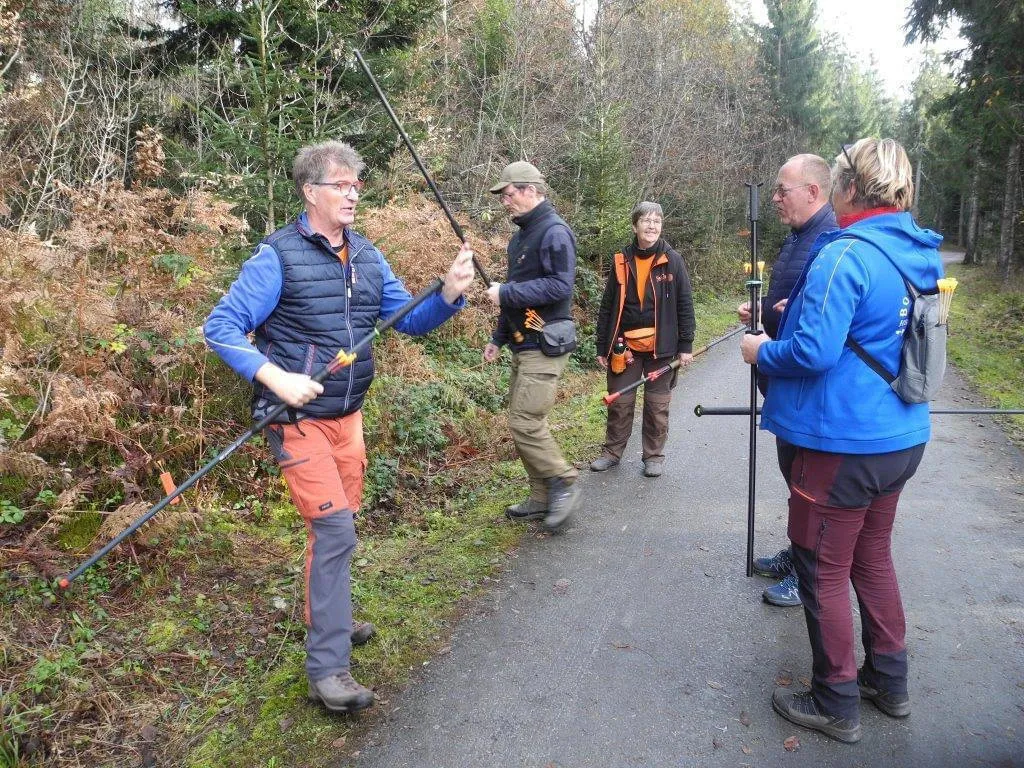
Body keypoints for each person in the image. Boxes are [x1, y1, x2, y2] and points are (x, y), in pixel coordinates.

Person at [204, 141, 475, 714]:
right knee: (334, 533)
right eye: (340, 185)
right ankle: (327, 670)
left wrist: (450, 292)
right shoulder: (277, 256)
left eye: (356, 186)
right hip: (296, 420)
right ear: (310, 192)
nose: (352, 195)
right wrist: (275, 377)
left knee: (339, 526)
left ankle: (328, 615)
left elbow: (409, 321)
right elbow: (221, 326)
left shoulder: (369, 256)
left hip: (348, 418)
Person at [740, 138, 943, 743]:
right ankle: (889, 681)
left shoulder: (844, 252)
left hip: (843, 444)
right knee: (871, 557)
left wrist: (760, 351)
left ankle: (835, 700)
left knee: (822, 568)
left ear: (849, 188)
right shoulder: (918, 251)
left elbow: (812, 352)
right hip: (900, 438)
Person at [738, 154, 836, 608]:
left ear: (813, 192)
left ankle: (809, 570)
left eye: (783, 190)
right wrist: (762, 312)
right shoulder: (798, 237)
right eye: (774, 191)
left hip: (803, 384)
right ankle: (798, 552)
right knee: (792, 476)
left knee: (808, 484)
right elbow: (792, 303)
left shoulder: (829, 240)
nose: (775, 198)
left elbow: (823, 325)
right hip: (781, 381)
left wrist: (773, 339)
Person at [483, 161, 581, 531]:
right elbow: (513, 299)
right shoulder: (520, 237)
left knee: (524, 421)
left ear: (530, 190)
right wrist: (498, 338)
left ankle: (564, 482)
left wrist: (506, 292)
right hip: (522, 343)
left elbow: (560, 286)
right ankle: (541, 497)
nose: (504, 201)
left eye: (508, 194)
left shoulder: (554, 232)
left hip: (545, 343)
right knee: (523, 422)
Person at [591, 201, 695, 477]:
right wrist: (602, 345)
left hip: (663, 348)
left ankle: (653, 456)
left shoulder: (673, 260)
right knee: (620, 403)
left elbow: (685, 304)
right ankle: (612, 453)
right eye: (646, 221)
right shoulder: (621, 260)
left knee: (657, 406)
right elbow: (607, 306)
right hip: (624, 348)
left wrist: (685, 346)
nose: (652, 226)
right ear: (634, 226)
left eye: (657, 221)